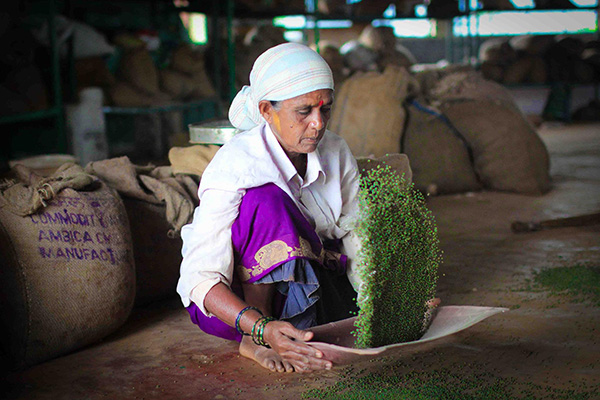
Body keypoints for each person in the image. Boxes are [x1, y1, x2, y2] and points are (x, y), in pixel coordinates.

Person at [177, 42, 361, 373]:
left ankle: (294, 329)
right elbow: (199, 278)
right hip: (234, 306)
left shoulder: (336, 151)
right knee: (268, 200)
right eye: (304, 111)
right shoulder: (237, 165)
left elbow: (356, 231)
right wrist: (260, 327)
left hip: (308, 284)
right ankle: (255, 339)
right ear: (266, 110)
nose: (318, 124)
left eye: (326, 109)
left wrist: (379, 298)